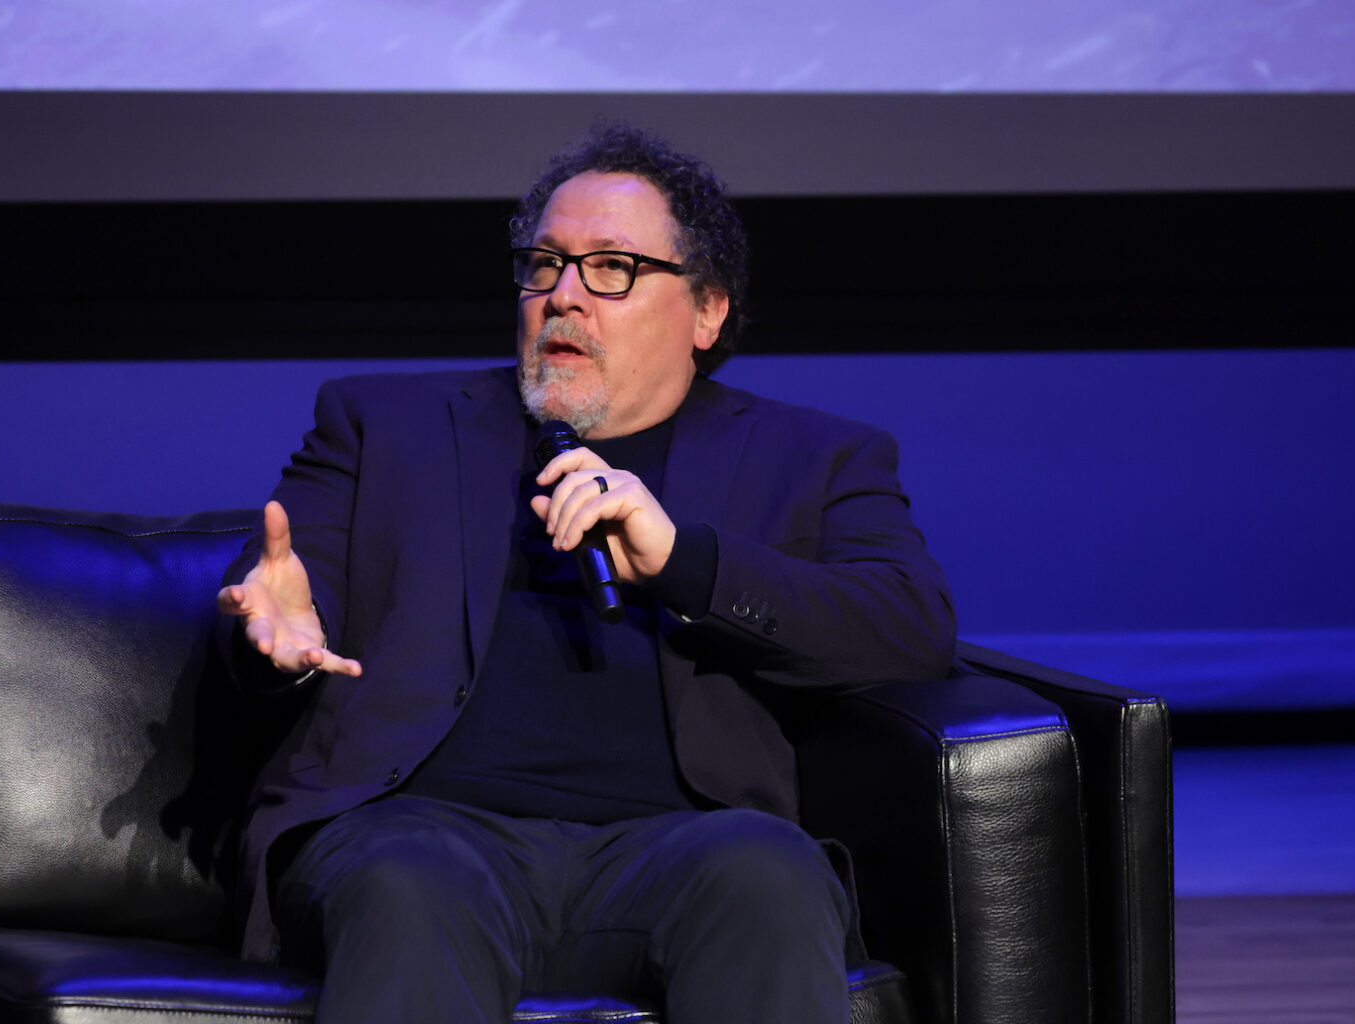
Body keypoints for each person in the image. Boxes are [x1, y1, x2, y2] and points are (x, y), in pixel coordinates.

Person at [216, 123, 955, 1023]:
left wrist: (684, 561)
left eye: (612, 267)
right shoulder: (382, 422)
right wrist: (274, 634)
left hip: (682, 846)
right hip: (423, 831)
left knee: (770, 872)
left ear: (708, 310)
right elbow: (290, 584)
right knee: (411, 883)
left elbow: (909, 624)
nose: (564, 296)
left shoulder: (817, 456)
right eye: (545, 265)